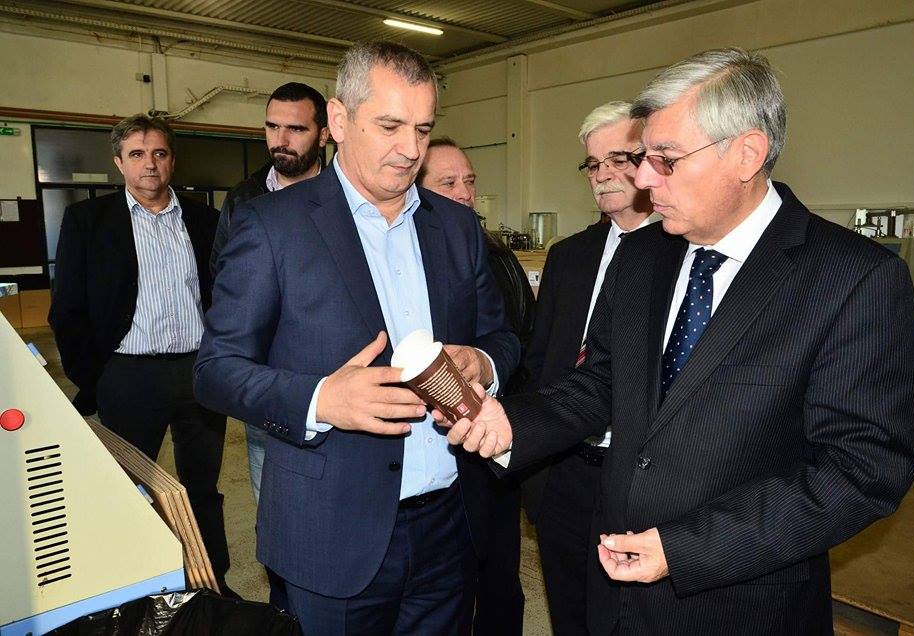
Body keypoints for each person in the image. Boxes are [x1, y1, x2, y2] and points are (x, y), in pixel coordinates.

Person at [442, 48, 914, 634]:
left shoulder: (852, 278)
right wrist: (514, 423)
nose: (643, 180)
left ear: (746, 154)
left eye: (665, 160)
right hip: (614, 588)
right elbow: (603, 381)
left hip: (743, 605)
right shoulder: (644, 256)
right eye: (645, 158)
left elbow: (862, 469)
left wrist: (686, 548)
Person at [194, 41, 519, 635]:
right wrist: (323, 400)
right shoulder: (271, 225)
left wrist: (481, 361)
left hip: (449, 525)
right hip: (331, 532)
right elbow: (215, 369)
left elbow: (502, 336)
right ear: (339, 122)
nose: (411, 149)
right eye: (390, 126)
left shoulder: (455, 226)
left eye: (423, 129)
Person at [49, 114, 235, 597]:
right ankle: (137, 587)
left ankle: (212, 583)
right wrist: (97, 378)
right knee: (129, 489)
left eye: (159, 153)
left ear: (172, 159)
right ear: (119, 162)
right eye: (137, 154)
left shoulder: (204, 219)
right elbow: (66, 308)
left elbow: (224, 294)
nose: (149, 164)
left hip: (198, 373)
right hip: (128, 376)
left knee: (203, 488)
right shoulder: (88, 221)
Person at [521, 100, 655, 635]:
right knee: (569, 616)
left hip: (641, 481)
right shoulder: (570, 256)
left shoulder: (684, 255)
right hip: (564, 473)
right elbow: (541, 363)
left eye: (618, 159)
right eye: (593, 164)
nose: (603, 175)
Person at [418, 137, 533, 636]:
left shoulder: (496, 255)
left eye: (469, 181)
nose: (464, 193)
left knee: (500, 580)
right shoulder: (416, 263)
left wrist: (488, 367)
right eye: (448, 183)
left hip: (496, 441)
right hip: (440, 450)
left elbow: (518, 339)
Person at [210, 81, 330, 503]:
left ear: (324, 133)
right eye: (272, 127)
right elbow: (223, 281)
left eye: (295, 129)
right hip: (268, 375)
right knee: (271, 496)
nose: (281, 140)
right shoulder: (243, 199)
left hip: (335, 370)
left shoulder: (347, 196)